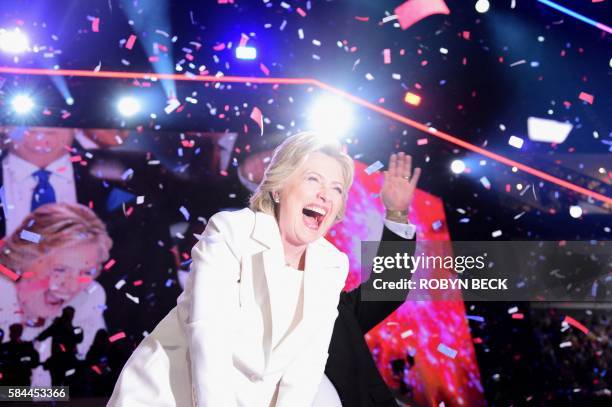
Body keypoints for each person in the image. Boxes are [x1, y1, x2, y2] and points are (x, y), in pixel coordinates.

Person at [239, 149, 422, 406]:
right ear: (275, 190)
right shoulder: (237, 283)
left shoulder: (326, 301)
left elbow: (387, 290)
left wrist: (397, 214)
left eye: (336, 188)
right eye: (313, 179)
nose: (324, 193)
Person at [0, 202, 112, 386]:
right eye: (59, 269)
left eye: (86, 273)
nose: (70, 286)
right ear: (22, 260)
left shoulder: (88, 299)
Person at [35, 306, 83, 386]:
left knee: (69, 382)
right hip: (57, 360)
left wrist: (67, 328)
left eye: (69, 315)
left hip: (68, 359)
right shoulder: (56, 327)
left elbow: (79, 339)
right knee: (57, 383)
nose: (68, 317)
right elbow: (42, 336)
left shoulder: (75, 329)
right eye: (67, 315)